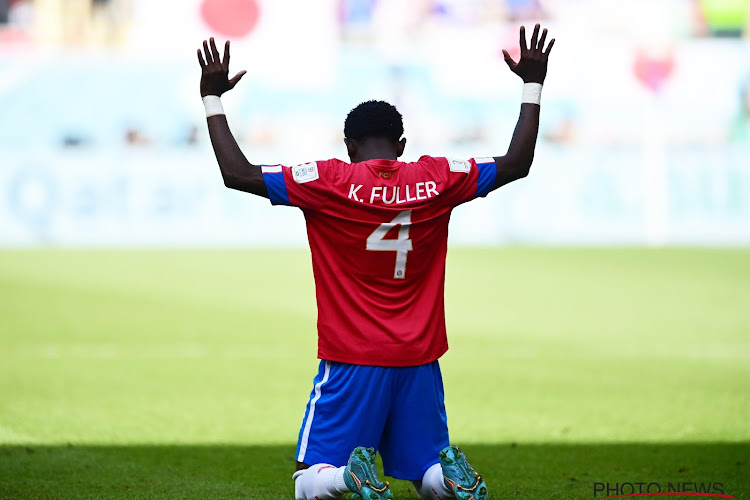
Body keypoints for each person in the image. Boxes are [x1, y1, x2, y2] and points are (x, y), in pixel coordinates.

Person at [197, 24, 554, 500]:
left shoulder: (327, 181)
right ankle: (451, 479)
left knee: (310, 479)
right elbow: (516, 163)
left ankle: (350, 477)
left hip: (352, 358)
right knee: (426, 470)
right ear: (401, 143)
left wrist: (212, 98)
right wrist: (533, 85)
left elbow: (236, 174)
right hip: (419, 359)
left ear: (349, 146)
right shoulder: (438, 178)